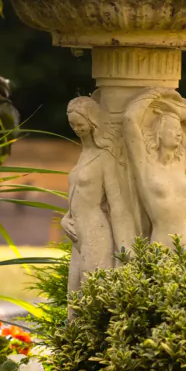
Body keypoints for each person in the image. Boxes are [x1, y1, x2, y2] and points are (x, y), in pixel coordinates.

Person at [62, 96, 134, 305]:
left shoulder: (105, 157)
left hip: (96, 230)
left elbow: (116, 204)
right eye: (72, 124)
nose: (76, 129)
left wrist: (123, 246)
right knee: (74, 297)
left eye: (80, 124)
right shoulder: (84, 154)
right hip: (78, 234)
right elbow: (77, 196)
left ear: (92, 122)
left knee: (92, 296)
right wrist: (65, 218)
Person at [123, 91, 186, 254]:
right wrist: (153, 94)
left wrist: (179, 112)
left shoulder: (180, 162)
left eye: (179, 129)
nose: (178, 133)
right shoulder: (144, 164)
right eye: (172, 129)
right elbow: (129, 119)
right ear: (159, 133)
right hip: (162, 242)